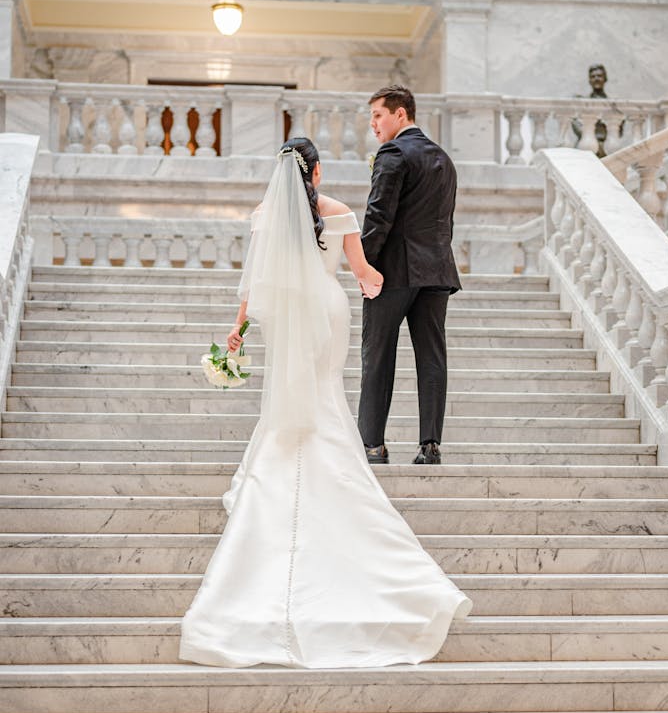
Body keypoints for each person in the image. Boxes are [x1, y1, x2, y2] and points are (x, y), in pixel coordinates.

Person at [179, 137, 471, 669]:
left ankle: (282, 455)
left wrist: (236, 331)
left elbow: (256, 282)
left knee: (292, 392)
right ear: (315, 173)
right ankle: (327, 457)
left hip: (289, 315)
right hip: (329, 311)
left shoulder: (266, 214)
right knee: (325, 391)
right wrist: (384, 283)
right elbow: (365, 275)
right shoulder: (339, 213)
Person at [358, 87, 461, 466]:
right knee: (433, 357)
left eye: (378, 115)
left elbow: (378, 215)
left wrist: (364, 266)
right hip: (437, 271)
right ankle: (430, 445)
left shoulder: (394, 153)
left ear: (401, 115)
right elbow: (445, 221)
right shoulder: (444, 159)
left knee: (378, 355)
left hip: (393, 272)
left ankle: (372, 445)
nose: (373, 124)